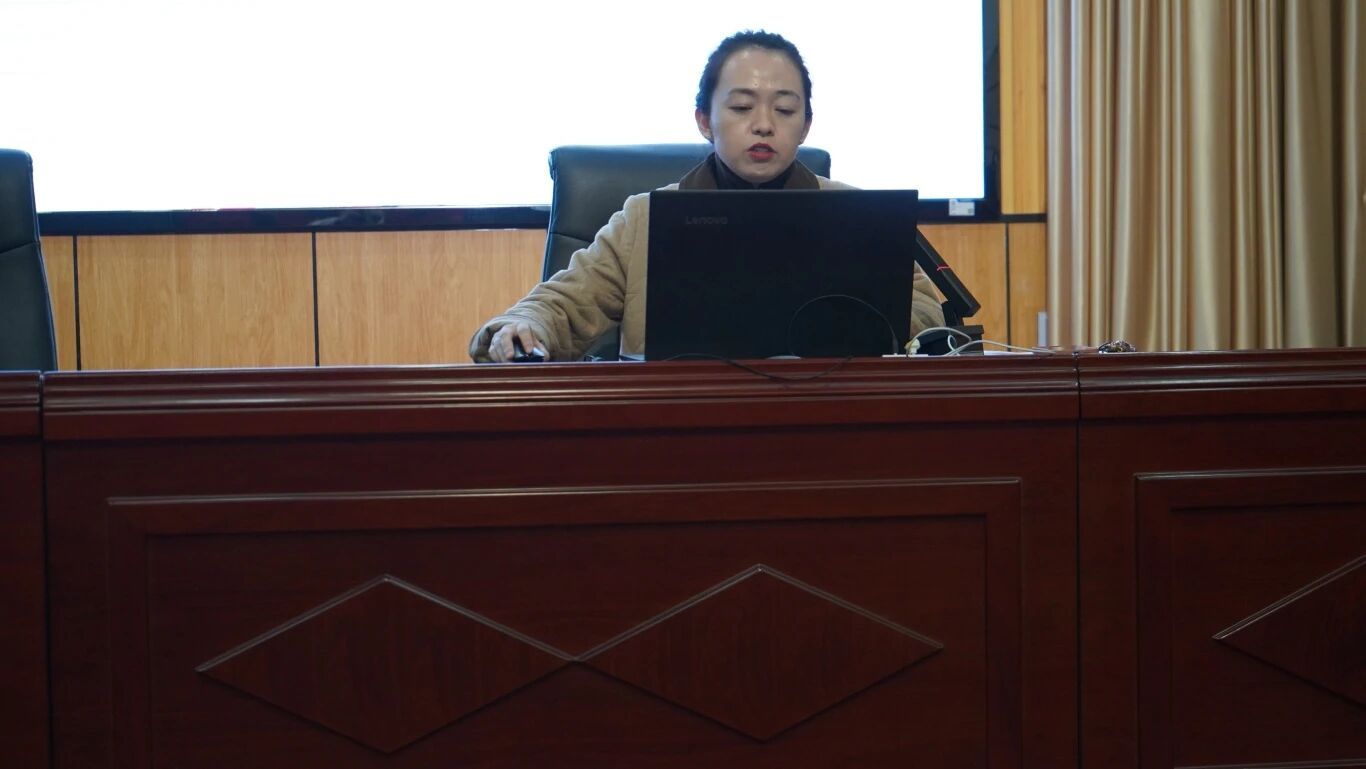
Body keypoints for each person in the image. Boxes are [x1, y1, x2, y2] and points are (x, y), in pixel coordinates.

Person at [469, 30, 943, 363]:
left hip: (824, 423)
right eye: (741, 107)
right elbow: (560, 306)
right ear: (704, 120)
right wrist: (524, 328)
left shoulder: (853, 215)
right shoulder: (645, 218)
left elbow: (925, 316)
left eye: (784, 109)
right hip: (677, 429)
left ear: (805, 127)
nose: (763, 124)